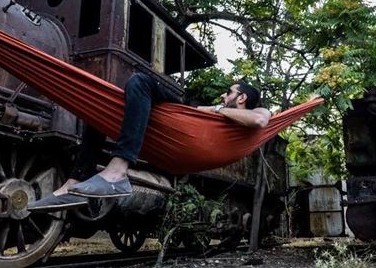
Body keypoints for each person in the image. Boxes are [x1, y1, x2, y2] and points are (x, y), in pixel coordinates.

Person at [27, 73, 270, 211]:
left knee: (140, 81)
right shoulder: (218, 109)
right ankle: (74, 183)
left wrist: (218, 111)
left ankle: (117, 173)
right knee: (102, 111)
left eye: (228, 92)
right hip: (178, 122)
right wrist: (214, 109)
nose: (222, 96)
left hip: (183, 137)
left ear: (242, 98)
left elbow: (259, 122)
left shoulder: (260, 112)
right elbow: (198, 109)